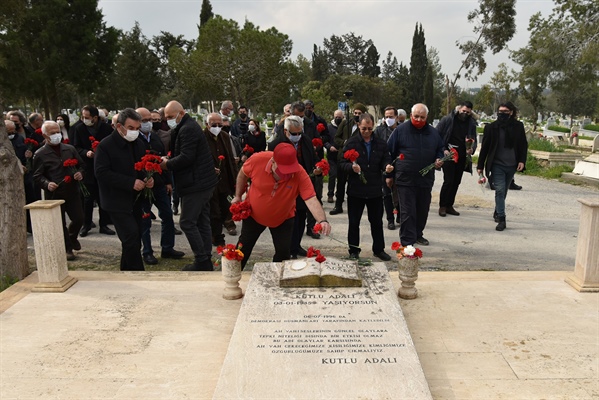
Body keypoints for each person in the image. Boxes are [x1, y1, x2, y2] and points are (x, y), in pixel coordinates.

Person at [231, 143, 331, 269]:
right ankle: (232, 278)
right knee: (243, 247)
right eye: (284, 171)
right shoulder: (257, 160)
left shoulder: (300, 173)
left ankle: (277, 281)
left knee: (283, 253)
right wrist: (238, 195)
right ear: (273, 162)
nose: (287, 175)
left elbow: (311, 198)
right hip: (254, 215)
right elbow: (243, 173)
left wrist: (322, 220)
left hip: (283, 218)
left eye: (290, 171)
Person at [160, 100, 218, 271]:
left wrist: (166, 164)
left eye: (171, 116)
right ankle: (205, 257)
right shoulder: (186, 127)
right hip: (201, 182)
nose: (169, 120)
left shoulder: (188, 129)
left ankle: (202, 260)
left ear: (181, 113)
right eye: (167, 117)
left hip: (196, 184)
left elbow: (187, 157)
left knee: (187, 222)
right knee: (201, 221)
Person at [94, 108, 153, 271]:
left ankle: (126, 270)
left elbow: (142, 167)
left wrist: (148, 178)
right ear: (119, 126)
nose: (134, 132)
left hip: (136, 199)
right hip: (116, 201)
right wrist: (130, 182)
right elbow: (101, 173)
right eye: (131, 128)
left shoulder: (139, 144)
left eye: (137, 128)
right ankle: (138, 273)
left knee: (134, 239)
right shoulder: (105, 146)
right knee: (130, 236)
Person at [387, 103, 445, 246]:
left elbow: (440, 148)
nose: (419, 120)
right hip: (405, 178)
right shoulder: (400, 131)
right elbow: (389, 152)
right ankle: (407, 241)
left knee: (422, 209)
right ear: (411, 116)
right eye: (416, 116)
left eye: (422, 117)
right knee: (408, 211)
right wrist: (388, 175)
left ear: (427, 117)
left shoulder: (433, 133)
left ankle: (418, 234)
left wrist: (439, 159)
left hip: (425, 179)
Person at [339, 113, 393, 261]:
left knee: (376, 222)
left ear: (373, 126)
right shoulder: (351, 143)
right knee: (354, 222)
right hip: (356, 190)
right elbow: (342, 164)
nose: (367, 132)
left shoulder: (381, 143)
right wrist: (351, 167)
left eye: (370, 128)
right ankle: (354, 250)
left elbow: (385, 159)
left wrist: (387, 166)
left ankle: (378, 249)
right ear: (358, 126)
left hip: (375, 189)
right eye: (364, 129)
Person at [136, 107, 185, 265]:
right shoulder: (134, 140)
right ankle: (147, 252)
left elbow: (163, 161)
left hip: (159, 185)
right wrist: (143, 180)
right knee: (145, 221)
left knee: (167, 216)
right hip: (143, 187)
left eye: (149, 120)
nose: (148, 123)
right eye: (143, 121)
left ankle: (167, 248)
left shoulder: (155, 138)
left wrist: (168, 181)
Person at [268, 115, 320, 258]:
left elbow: (314, 159)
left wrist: (316, 168)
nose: (297, 136)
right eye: (294, 134)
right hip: (286, 189)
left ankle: (296, 246)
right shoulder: (275, 145)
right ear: (286, 132)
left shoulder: (306, 141)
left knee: (301, 219)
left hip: (303, 185)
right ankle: (288, 249)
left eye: (299, 133)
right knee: (289, 221)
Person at [32, 121, 85, 261]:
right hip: (55, 194)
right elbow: (37, 175)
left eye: (58, 131)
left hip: (72, 190)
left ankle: (72, 237)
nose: (57, 135)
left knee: (79, 218)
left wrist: (80, 173)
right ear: (44, 135)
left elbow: (81, 165)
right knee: (59, 223)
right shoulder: (40, 153)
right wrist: (47, 183)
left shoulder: (69, 149)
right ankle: (67, 248)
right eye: (52, 133)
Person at [477, 102, 527, 231]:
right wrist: (480, 165)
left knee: (503, 191)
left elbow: (523, 145)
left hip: (512, 164)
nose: (502, 114)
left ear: (511, 112)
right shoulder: (492, 128)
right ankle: (502, 218)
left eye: (505, 112)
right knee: (499, 190)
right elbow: (485, 148)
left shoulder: (518, 126)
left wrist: (522, 161)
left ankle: (497, 210)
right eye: (500, 111)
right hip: (496, 164)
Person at [73, 105, 115, 237]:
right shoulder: (79, 128)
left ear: (95, 118)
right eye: (83, 117)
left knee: (103, 197)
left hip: (103, 168)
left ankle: (104, 224)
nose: (84, 119)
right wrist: (87, 153)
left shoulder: (106, 128)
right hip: (87, 168)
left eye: (87, 117)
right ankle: (86, 224)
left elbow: (111, 145)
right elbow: (76, 147)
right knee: (88, 199)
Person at [436, 101, 478, 217]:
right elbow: (437, 135)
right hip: (448, 154)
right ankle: (443, 205)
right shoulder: (448, 120)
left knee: (456, 181)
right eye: (463, 111)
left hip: (462, 156)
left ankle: (450, 205)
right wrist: (443, 149)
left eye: (468, 112)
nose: (465, 114)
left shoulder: (471, 123)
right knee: (448, 180)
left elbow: (474, 139)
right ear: (459, 109)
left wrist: (471, 149)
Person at [204, 113, 238, 245]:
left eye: (220, 125)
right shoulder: (203, 137)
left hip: (224, 180)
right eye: (214, 125)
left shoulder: (224, 136)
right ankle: (216, 237)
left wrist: (235, 180)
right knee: (214, 212)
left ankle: (221, 231)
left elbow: (230, 158)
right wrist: (209, 168)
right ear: (207, 125)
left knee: (226, 209)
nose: (217, 127)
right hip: (210, 182)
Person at [331, 103, 367, 215]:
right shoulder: (345, 123)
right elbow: (336, 137)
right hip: (343, 156)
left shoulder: (365, 125)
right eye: (355, 113)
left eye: (359, 113)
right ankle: (338, 205)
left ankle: (355, 206)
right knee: (340, 183)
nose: (357, 115)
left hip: (357, 158)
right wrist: (344, 143)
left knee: (354, 183)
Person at [374, 106, 401, 230]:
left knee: (400, 193)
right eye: (387, 117)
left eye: (391, 116)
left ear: (396, 117)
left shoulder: (401, 130)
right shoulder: (379, 131)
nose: (389, 119)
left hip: (400, 166)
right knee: (386, 194)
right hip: (385, 166)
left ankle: (400, 214)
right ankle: (390, 219)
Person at [325, 110, 344, 204]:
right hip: (332, 156)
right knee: (332, 175)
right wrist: (329, 147)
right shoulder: (329, 127)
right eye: (336, 116)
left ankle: (339, 195)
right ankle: (330, 195)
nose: (338, 119)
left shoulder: (344, 127)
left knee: (341, 177)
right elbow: (325, 140)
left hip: (342, 156)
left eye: (339, 117)